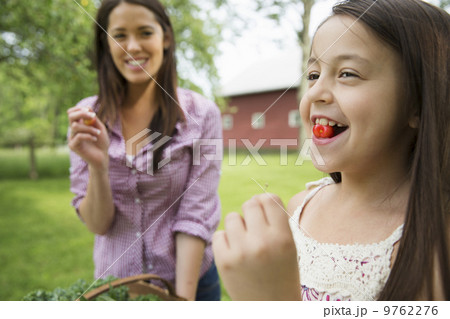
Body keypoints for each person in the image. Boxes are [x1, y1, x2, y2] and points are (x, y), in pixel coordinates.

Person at [213, 0, 449, 301]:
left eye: (347, 74)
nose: (315, 93)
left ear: (417, 105)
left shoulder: (433, 247)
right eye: (313, 75)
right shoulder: (299, 208)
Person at [67, 0, 222, 301]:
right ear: (106, 42)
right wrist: (98, 166)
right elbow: (98, 224)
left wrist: (182, 302)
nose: (132, 46)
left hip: (191, 284)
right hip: (117, 288)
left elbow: (196, 214)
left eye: (145, 32)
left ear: (165, 38)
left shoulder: (202, 115)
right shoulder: (87, 116)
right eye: (120, 35)